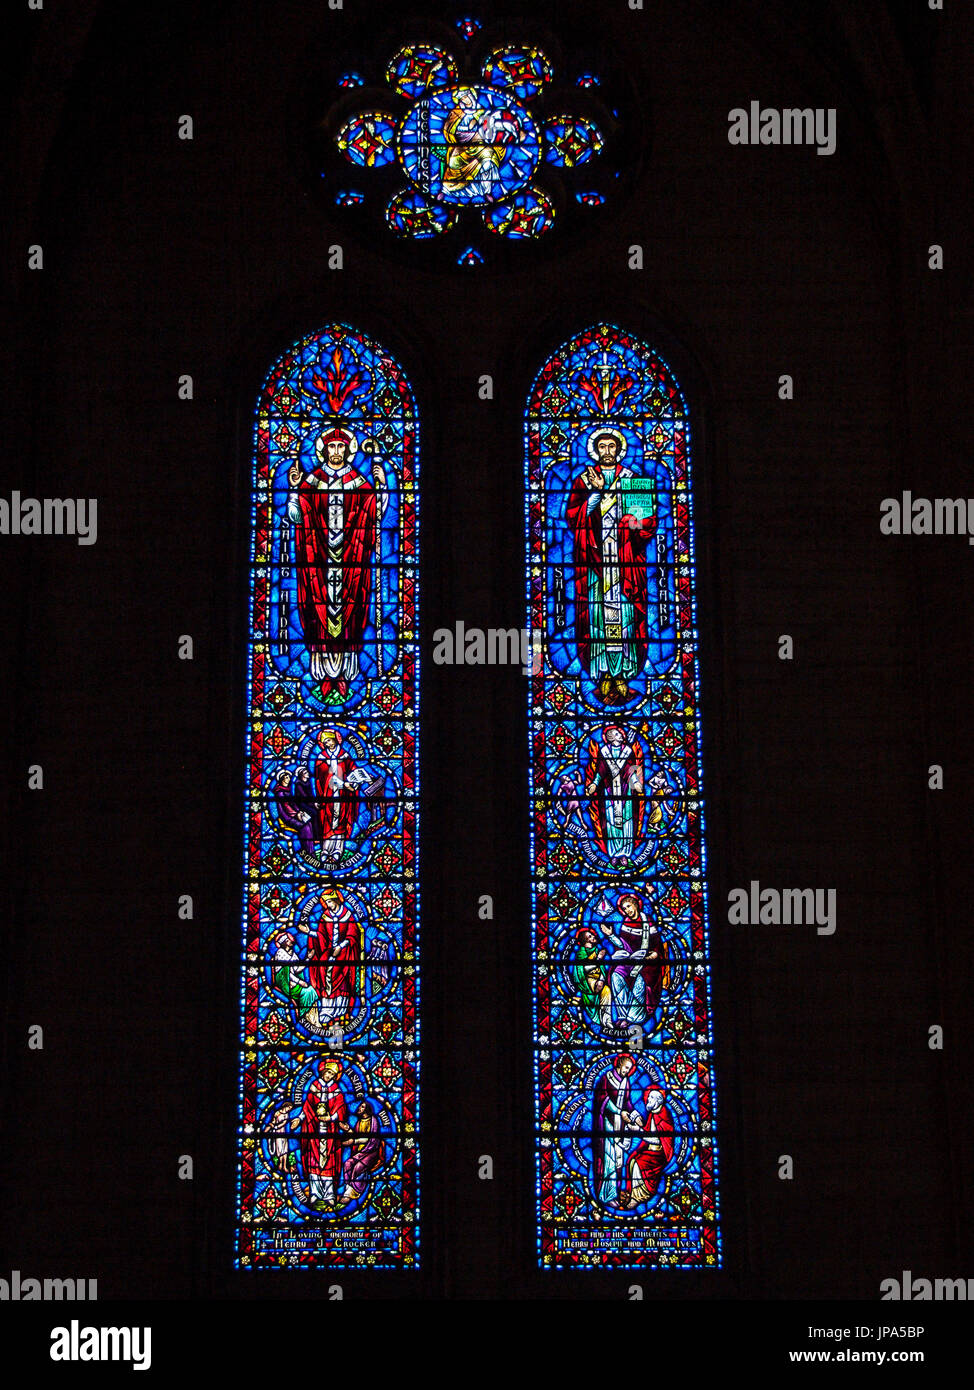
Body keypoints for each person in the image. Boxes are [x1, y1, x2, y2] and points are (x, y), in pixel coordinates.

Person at [287, 427, 386, 704]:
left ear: (347, 451)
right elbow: (296, 516)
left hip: (351, 564)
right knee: (318, 616)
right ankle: (323, 678)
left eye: (341, 448)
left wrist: (381, 487)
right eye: (331, 448)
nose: (336, 453)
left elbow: (375, 514)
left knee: (351, 614)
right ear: (324, 451)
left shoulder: (359, 483)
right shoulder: (312, 481)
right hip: (317, 563)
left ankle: (344, 678)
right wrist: (294, 488)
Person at [566, 429, 654, 704]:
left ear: (618, 450)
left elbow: (646, 524)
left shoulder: (632, 481)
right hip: (595, 565)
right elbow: (574, 518)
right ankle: (603, 673)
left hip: (625, 564)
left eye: (611, 446)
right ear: (596, 450)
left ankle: (624, 674)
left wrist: (633, 522)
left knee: (626, 619)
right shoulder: (583, 480)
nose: (606, 450)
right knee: (597, 620)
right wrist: (594, 495)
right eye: (602, 446)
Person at [584, 725, 645, 860]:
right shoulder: (604, 751)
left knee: (627, 820)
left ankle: (625, 853)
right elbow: (600, 771)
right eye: (618, 734)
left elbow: (631, 769)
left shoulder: (628, 751)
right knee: (610, 820)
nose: (622, 735)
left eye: (621, 734)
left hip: (626, 791)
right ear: (610, 737)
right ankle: (614, 853)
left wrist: (635, 783)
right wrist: (594, 783)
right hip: (609, 791)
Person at [306, 884, 364, 1025]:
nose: (328, 905)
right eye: (326, 902)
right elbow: (321, 935)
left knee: (341, 974)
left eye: (330, 902)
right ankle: (327, 1009)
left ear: (337, 900)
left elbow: (353, 935)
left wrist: (341, 946)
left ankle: (340, 1009)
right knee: (322, 969)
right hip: (328, 951)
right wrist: (308, 932)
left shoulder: (348, 916)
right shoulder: (325, 916)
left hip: (345, 952)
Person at [300, 1058, 351, 1210]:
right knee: (313, 1161)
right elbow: (307, 1106)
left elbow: (341, 1109)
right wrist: (300, 1118)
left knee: (329, 1161)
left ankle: (329, 1195)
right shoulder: (314, 1086)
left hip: (330, 1131)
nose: (328, 1075)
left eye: (331, 1073)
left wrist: (332, 1117)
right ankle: (315, 1193)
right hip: (314, 1130)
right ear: (322, 1072)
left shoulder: (337, 1090)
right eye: (327, 1072)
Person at [591, 1053, 640, 1207]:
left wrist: (635, 1115)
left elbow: (627, 1102)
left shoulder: (625, 1082)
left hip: (621, 1126)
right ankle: (606, 1195)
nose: (627, 1071)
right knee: (609, 1160)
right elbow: (602, 1100)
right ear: (619, 1064)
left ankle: (616, 1193)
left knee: (619, 1160)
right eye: (626, 1068)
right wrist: (619, 1112)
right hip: (606, 1125)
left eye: (629, 1069)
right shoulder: (606, 1079)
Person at [620, 1085, 675, 1208]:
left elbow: (659, 1140)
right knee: (631, 1161)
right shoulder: (653, 1114)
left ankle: (641, 1195)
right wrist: (637, 1123)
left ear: (658, 1100)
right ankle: (633, 1194)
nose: (648, 1100)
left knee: (638, 1163)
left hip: (659, 1154)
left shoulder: (663, 1115)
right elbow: (647, 1131)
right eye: (648, 1097)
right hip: (650, 1151)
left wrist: (638, 1131)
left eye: (651, 1098)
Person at [313, 729, 360, 865]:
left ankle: (337, 851)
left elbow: (353, 772)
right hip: (327, 795)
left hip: (343, 794)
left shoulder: (345, 756)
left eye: (328, 740)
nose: (327, 743)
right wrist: (319, 796)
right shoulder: (320, 758)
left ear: (335, 739)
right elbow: (318, 779)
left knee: (341, 821)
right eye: (324, 742)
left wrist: (351, 784)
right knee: (327, 822)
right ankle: (325, 851)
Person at [341, 1100, 383, 1203]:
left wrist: (353, 1141)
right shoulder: (359, 1122)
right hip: (359, 1153)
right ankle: (348, 1189)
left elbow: (371, 1139)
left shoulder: (373, 1121)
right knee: (347, 1164)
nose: (359, 1108)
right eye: (360, 1106)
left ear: (367, 1109)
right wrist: (347, 1130)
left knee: (358, 1167)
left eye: (362, 1107)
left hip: (371, 1152)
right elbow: (355, 1136)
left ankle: (354, 1192)